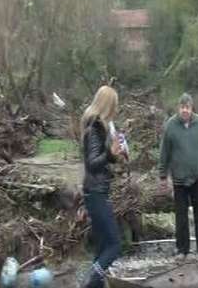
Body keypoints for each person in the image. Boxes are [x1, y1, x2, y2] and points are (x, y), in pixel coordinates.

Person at [158, 93, 198, 260]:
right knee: (180, 215)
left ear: (192, 108)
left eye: (187, 107)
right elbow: (164, 151)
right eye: (182, 107)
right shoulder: (170, 126)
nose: (185, 110)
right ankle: (182, 249)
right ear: (178, 108)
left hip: (197, 177)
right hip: (179, 178)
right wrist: (163, 174)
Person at [80, 85, 122, 288]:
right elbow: (93, 163)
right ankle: (90, 283)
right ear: (108, 105)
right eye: (115, 105)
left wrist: (116, 154)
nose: (116, 109)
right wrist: (110, 154)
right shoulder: (94, 128)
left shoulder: (101, 126)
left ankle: (93, 284)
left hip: (97, 190)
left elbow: (102, 160)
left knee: (102, 245)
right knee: (114, 244)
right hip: (96, 192)